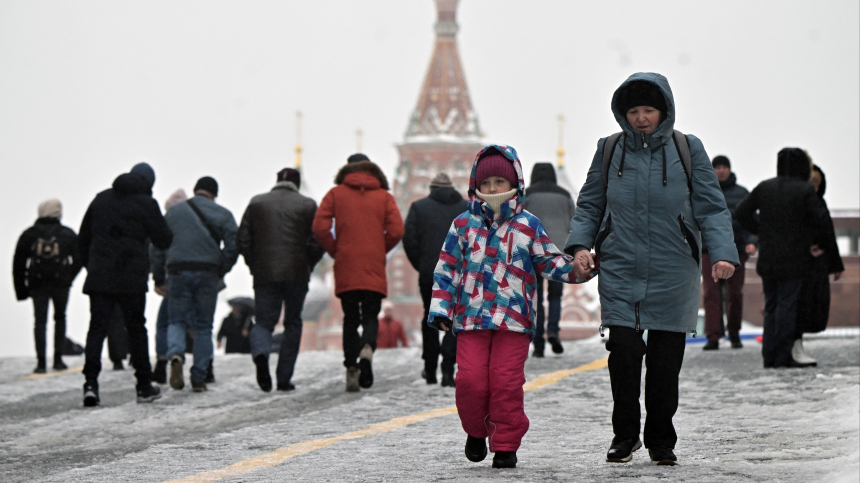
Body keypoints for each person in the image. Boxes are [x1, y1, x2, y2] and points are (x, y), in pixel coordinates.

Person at [566, 73, 738, 465]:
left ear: (664, 111)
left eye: (648, 110)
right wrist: (579, 246)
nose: (641, 118)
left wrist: (723, 254)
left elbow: (711, 207)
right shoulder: (609, 149)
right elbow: (591, 203)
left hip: (672, 267)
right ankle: (625, 436)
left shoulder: (687, 148)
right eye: (633, 111)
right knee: (623, 353)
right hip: (621, 265)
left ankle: (661, 438)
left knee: (664, 362)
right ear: (622, 114)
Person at [428, 144, 589, 469]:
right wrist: (441, 309)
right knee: (470, 381)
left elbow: (549, 260)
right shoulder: (463, 225)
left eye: (499, 183)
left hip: (514, 320)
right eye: (486, 185)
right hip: (471, 319)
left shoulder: (527, 225)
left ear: (514, 183)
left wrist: (577, 268)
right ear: (476, 186)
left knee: (505, 383)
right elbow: (447, 268)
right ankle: (476, 431)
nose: (492, 190)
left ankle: (505, 444)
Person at [78, 162, 173, 406]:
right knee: (136, 330)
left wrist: (93, 267)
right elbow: (164, 239)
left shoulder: (100, 200)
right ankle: (143, 385)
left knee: (96, 329)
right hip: (131, 278)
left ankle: (90, 383)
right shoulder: (146, 204)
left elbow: (83, 239)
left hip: (100, 278)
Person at [312, 153, 404, 392]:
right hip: (373, 265)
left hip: (346, 264)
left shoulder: (335, 194)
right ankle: (367, 349)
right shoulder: (384, 196)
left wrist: (336, 249)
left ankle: (351, 368)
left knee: (350, 319)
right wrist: (378, 248)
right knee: (371, 316)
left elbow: (319, 226)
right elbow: (396, 230)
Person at [736, 149, 831, 370]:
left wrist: (759, 230)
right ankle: (784, 355)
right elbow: (822, 221)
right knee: (788, 305)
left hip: (768, 257)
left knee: (771, 306)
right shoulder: (805, 190)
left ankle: (768, 355)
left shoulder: (765, 187)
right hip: (796, 258)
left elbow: (741, 211)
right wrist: (817, 243)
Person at [237, 168, 324, 392]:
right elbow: (318, 241)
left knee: (264, 321)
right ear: (296, 184)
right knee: (293, 323)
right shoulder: (307, 205)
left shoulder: (257, 203)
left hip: (264, 274)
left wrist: (254, 265)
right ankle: (284, 378)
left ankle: (260, 353)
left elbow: (243, 239)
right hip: (297, 274)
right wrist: (308, 265)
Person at [151, 176, 239, 393]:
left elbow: (157, 245)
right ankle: (199, 376)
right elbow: (234, 245)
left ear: (196, 190)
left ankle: (176, 354)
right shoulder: (222, 213)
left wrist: (159, 278)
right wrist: (222, 268)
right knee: (203, 326)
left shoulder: (174, 213)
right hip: (207, 273)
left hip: (177, 271)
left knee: (176, 321)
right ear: (214, 194)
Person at [402, 172, 465, 386]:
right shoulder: (465, 208)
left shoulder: (419, 208)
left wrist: (421, 265)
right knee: (455, 318)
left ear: (431, 189)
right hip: (458, 273)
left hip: (429, 272)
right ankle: (448, 369)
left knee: (430, 318)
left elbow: (409, 241)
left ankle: (429, 369)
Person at [13, 198, 82, 373]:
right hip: (61, 284)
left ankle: (41, 362)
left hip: (37, 284)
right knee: (60, 318)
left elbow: (18, 263)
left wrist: (21, 289)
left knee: (40, 321)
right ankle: (58, 359)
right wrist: (69, 277)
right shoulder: (67, 233)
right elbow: (80, 258)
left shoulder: (29, 234)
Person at [701, 155, 758, 350]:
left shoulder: (742, 193)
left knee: (735, 293)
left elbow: (752, 220)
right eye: (717, 167)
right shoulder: (704, 191)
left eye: (724, 167)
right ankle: (713, 337)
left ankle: (734, 334)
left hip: (736, 249)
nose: (721, 170)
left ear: (729, 169)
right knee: (710, 293)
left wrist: (751, 241)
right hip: (708, 249)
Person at [524, 162, 576, 357]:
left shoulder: (526, 194)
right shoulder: (564, 195)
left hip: (532, 253)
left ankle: (538, 343)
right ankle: (553, 331)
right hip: (558, 253)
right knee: (555, 296)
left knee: (536, 298)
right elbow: (575, 222)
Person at [793, 163, 843, 365]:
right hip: (804, 265)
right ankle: (795, 345)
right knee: (802, 306)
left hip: (817, 265)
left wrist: (835, 263)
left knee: (812, 306)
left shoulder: (819, 203)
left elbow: (829, 234)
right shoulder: (805, 204)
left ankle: (797, 345)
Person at [152, 188, 188, 385]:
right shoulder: (196, 221)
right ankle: (205, 369)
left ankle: (163, 362)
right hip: (200, 276)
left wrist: (158, 279)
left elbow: (156, 251)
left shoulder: (167, 222)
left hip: (173, 278)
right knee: (201, 325)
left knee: (166, 322)